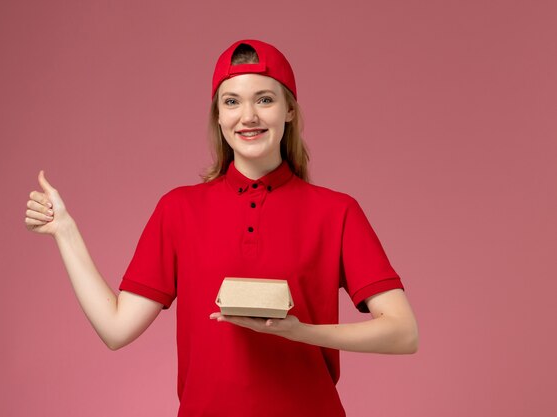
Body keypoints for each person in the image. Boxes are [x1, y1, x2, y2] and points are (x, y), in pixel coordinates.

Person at [25, 39, 419, 417]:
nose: (248, 116)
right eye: (232, 102)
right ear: (218, 115)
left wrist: (300, 333)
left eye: (265, 100)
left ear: (289, 111)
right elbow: (116, 329)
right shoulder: (178, 209)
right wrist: (65, 231)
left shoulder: (337, 211)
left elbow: (403, 333)